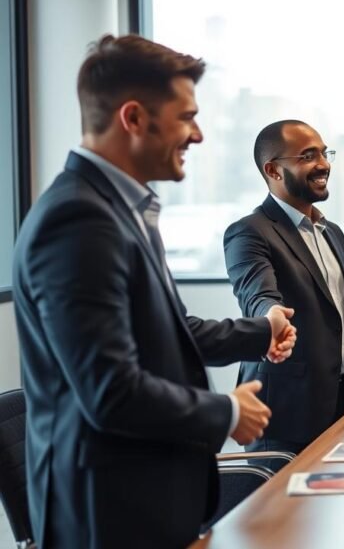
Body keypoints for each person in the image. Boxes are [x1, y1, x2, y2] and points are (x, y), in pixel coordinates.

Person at [13, 35, 298, 549]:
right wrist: (227, 412)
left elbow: (171, 329)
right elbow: (111, 391)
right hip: (110, 517)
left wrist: (262, 331)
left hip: (147, 503)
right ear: (135, 119)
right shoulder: (78, 220)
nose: (199, 135)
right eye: (186, 116)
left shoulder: (119, 210)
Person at [224, 119, 344, 456]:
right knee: (282, 510)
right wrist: (271, 316)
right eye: (307, 156)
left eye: (325, 154)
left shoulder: (332, 231)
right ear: (273, 170)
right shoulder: (250, 232)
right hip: (285, 411)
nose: (323, 164)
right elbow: (257, 293)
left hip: (343, 398)